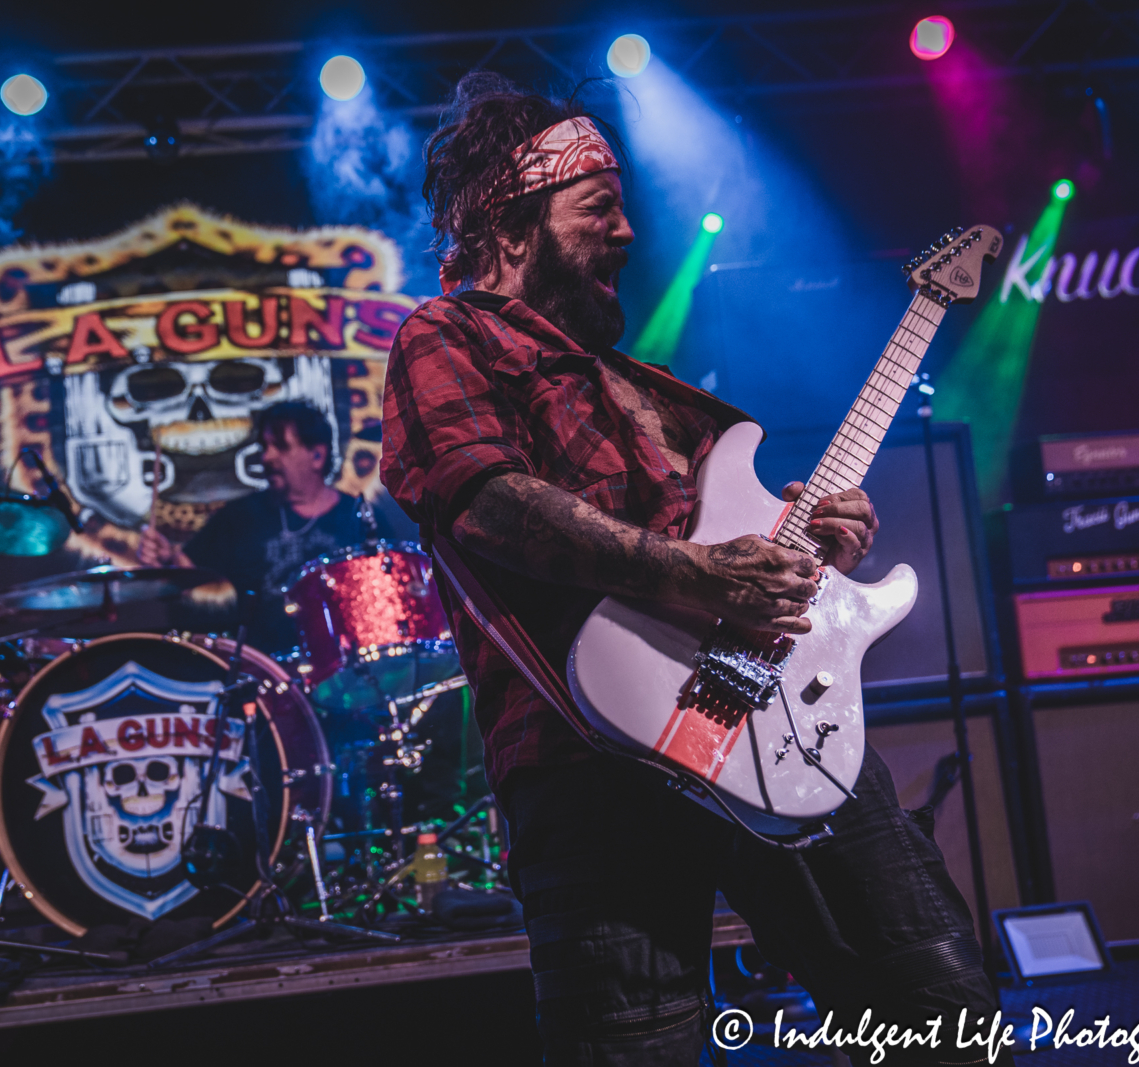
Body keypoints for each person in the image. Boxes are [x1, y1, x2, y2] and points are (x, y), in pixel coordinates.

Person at [380, 73, 1007, 1067]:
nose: (627, 233)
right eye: (598, 209)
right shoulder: (444, 336)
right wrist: (700, 575)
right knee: (632, 1045)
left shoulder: (658, 389)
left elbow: (752, 548)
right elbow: (483, 497)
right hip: (587, 758)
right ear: (507, 226)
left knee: (938, 1008)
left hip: (786, 725)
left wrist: (814, 548)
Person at [137, 400, 397, 652]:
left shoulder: (359, 517)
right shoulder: (240, 517)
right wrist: (166, 558)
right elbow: (193, 573)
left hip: (349, 664)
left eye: (280, 446)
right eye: (264, 446)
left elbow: (394, 592)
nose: (267, 456)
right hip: (264, 671)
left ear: (317, 456)